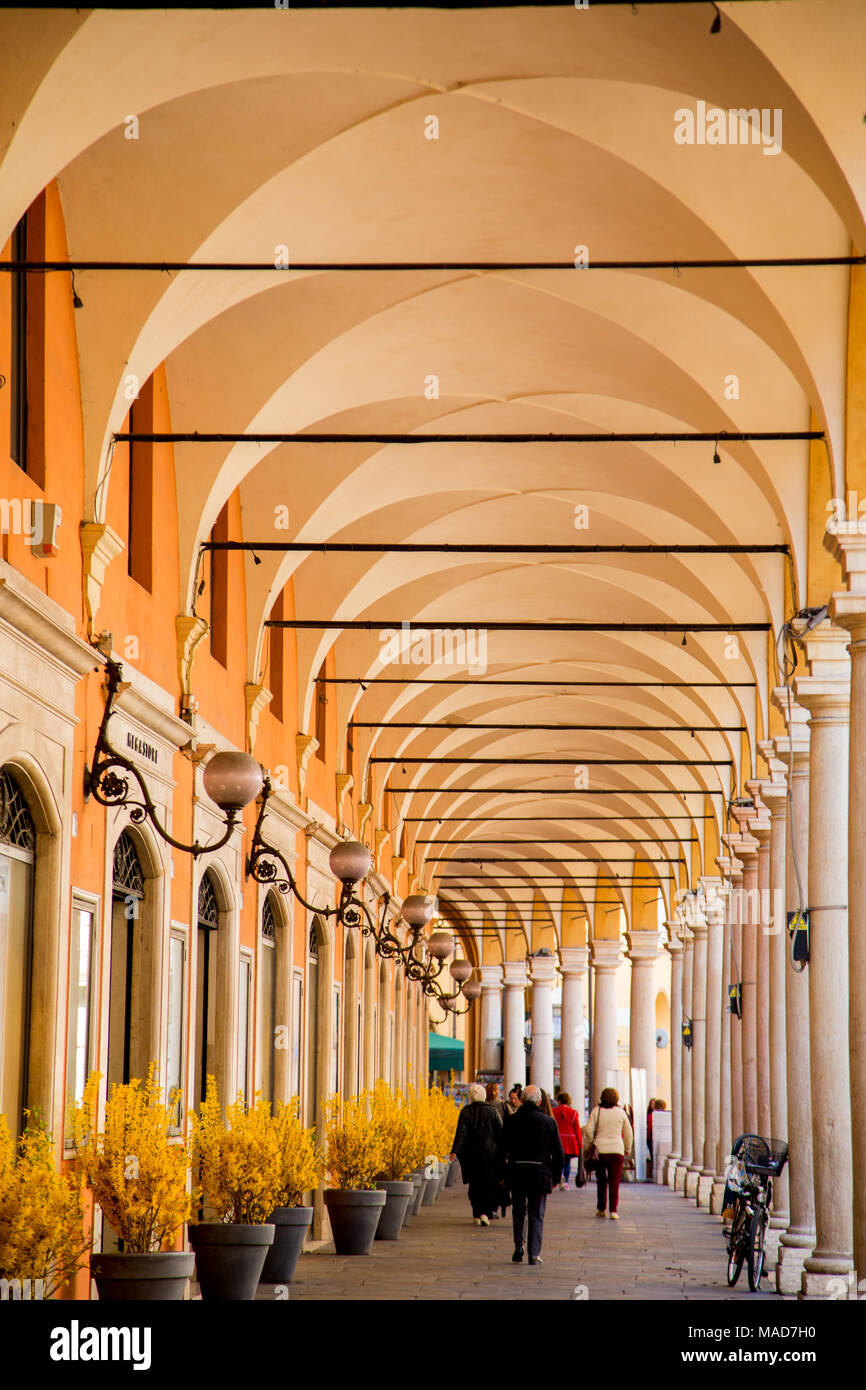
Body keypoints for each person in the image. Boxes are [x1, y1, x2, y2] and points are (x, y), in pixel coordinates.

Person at [497, 1083, 564, 1265]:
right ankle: (534, 1253)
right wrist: (555, 1177)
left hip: (517, 1171)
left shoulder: (511, 1120)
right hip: (540, 1172)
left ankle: (519, 1245)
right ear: (540, 1101)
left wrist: (502, 1174)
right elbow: (559, 1153)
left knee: (518, 1210)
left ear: (522, 1100)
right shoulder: (549, 1122)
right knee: (537, 1213)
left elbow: (501, 1150)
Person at [450, 1082, 503, 1226]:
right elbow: (501, 1133)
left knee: (474, 1184)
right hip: (490, 1154)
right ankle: (485, 1213)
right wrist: (505, 1152)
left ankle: (476, 1212)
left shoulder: (465, 1111)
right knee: (488, 1183)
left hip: (471, 1155)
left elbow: (460, 1133)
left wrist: (454, 1151)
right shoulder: (492, 1111)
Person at [582, 1087, 634, 1219]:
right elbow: (628, 1133)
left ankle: (601, 1209)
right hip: (617, 1150)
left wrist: (590, 1143)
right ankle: (613, 1211)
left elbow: (588, 1130)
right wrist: (627, 1148)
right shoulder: (621, 1113)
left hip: (600, 1150)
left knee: (601, 1181)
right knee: (614, 1181)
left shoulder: (597, 1111)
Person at [552, 1091, 582, 1190]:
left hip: (558, 1139)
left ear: (559, 1101)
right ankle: (565, 1182)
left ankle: (559, 1177)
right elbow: (577, 1129)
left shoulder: (553, 1111)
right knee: (567, 1162)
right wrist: (579, 1143)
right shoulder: (573, 1113)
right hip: (570, 1140)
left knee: (557, 1161)